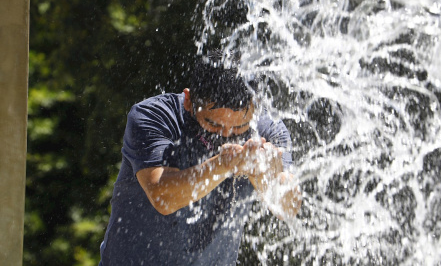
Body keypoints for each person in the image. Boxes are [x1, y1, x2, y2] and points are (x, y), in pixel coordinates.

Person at [99, 51, 302, 265]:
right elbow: (163, 198)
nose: (225, 135)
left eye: (240, 127)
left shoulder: (269, 130)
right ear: (188, 100)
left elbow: (287, 208)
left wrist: (264, 174)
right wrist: (225, 164)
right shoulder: (153, 116)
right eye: (213, 124)